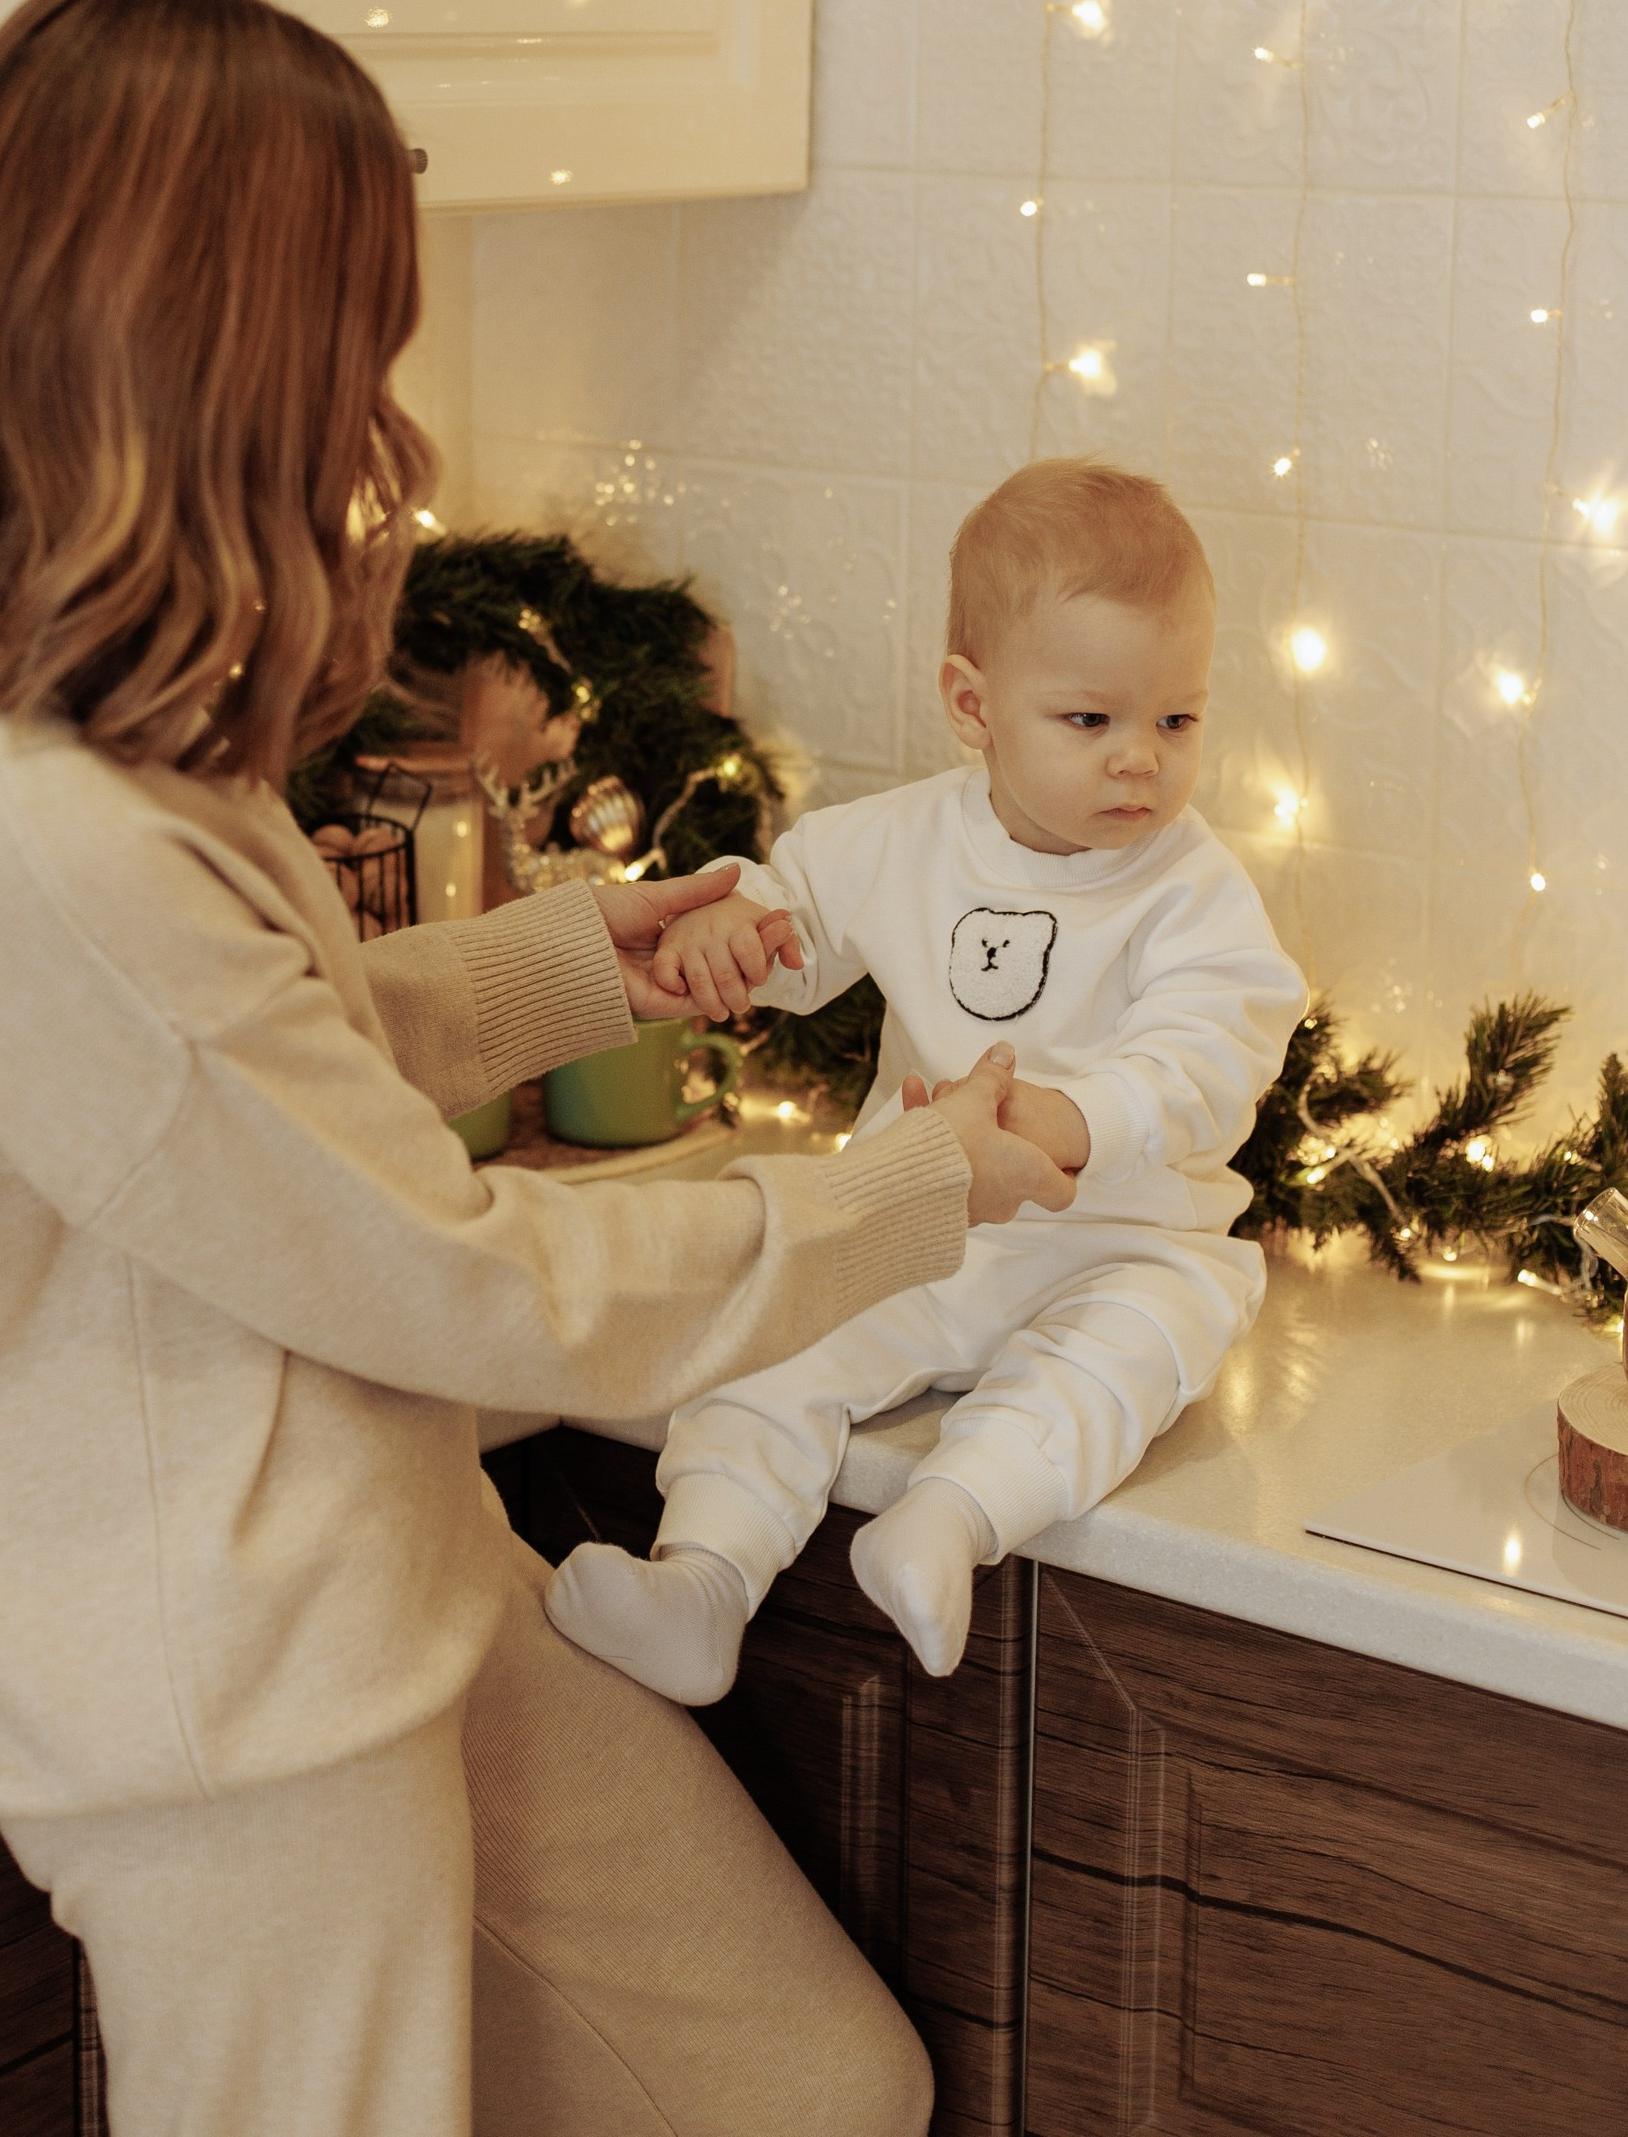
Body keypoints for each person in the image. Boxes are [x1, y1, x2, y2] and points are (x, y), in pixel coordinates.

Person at [0, 0, 1073, 2137]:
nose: (384, 407)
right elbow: (457, 1276)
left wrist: (577, 968)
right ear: (203, 336)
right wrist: (911, 1187)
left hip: (356, 1576)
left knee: (801, 2084)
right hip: (223, 1707)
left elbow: (215, 1077)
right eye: (353, 336)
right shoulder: (14, 803)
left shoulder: (4, 645)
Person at [546, 461, 1308, 1704]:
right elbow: (788, 913)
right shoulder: (900, 838)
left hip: (1119, 1239)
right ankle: (702, 1580)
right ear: (973, 705)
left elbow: (1213, 1053)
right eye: (1089, 721)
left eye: (1175, 721)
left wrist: (1070, 1120)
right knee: (774, 1336)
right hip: (919, 1217)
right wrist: (729, 932)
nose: (1139, 765)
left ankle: (947, 1521)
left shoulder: (1188, 887)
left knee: (1126, 1351)